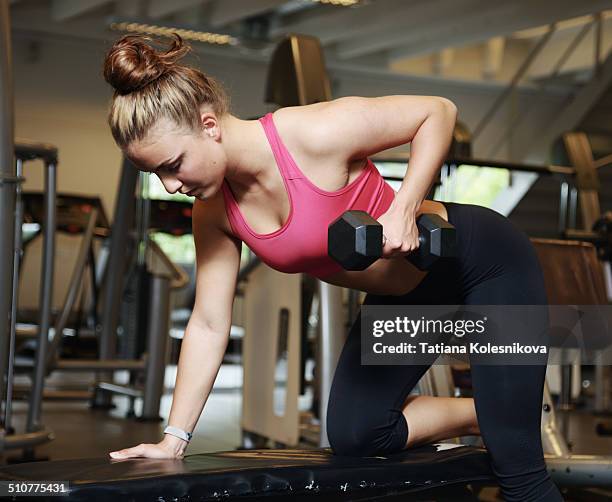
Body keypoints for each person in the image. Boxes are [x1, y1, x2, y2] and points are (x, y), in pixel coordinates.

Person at [104, 35, 561, 501]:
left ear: (208, 125)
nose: (170, 184)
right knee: (357, 431)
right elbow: (208, 322)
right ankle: (497, 410)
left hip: (483, 262)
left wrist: (403, 209)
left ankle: (510, 418)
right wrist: (173, 439)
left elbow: (437, 111)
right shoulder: (214, 212)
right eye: (156, 175)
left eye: (173, 165)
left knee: (519, 474)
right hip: (413, 298)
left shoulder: (310, 133)